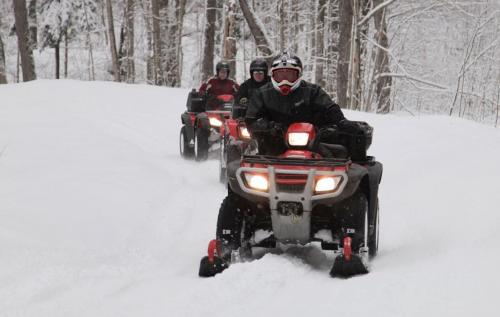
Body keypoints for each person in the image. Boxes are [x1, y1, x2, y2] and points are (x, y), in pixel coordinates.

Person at [245, 52, 358, 155]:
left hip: (311, 142)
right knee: (255, 152)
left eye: (289, 75)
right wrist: (270, 127)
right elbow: (251, 119)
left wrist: (341, 121)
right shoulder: (261, 94)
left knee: (341, 150)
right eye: (280, 75)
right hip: (273, 143)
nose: (285, 80)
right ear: (273, 75)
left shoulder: (313, 91)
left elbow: (329, 107)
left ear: (299, 75)